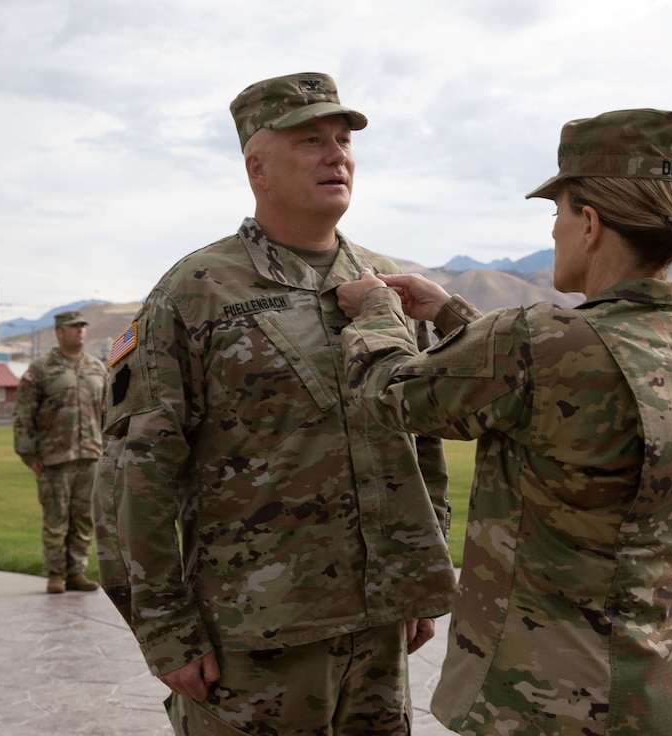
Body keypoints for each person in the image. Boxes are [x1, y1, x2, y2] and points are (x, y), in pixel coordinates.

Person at [336, 108, 672, 735]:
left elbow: (387, 392)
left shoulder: (539, 339)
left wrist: (376, 313)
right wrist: (451, 314)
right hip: (663, 694)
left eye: (556, 213)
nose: (555, 229)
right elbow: (560, 386)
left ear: (588, 223)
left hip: (546, 704)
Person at [92, 72, 456, 736]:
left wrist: (415, 578)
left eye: (343, 140)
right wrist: (166, 631)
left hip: (378, 634)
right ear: (257, 165)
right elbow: (133, 473)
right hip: (254, 639)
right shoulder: (197, 291)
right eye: (311, 139)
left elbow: (419, 439)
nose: (336, 154)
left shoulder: (384, 285)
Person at [13, 310, 106, 594]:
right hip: (54, 458)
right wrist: (28, 453)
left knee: (84, 518)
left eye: (82, 327)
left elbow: (108, 411)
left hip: (91, 455)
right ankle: (55, 574)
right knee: (56, 520)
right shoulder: (40, 369)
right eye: (73, 327)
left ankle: (77, 572)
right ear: (59, 332)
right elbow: (23, 414)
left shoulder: (97, 368)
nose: (80, 331)